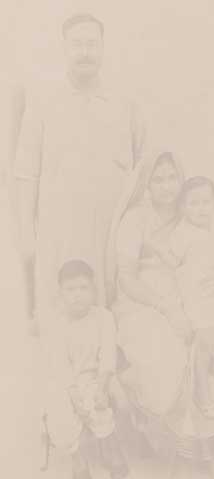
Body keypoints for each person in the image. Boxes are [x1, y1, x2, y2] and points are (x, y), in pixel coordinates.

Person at [109, 151, 214, 479]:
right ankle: (182, 458)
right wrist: (167, 308)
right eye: (158, 179)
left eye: (172, 177)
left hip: (192, 298)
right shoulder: (135, 219)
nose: (166, 186)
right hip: (144, 301)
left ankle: (213, 453)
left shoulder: (194, 210)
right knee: (171, 355)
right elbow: (126, 278)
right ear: (146, 184)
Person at [14, 13, 145, 327]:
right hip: (61, 229)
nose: (85, 51)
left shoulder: (123, 102)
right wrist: (26, 233)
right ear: (64, 49)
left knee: (110, 309)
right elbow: (26, 173)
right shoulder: (44, 102)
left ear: (102, 49)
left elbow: (141, 169)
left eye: (92, 44)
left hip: (108, 230)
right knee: (62, 312)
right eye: (77, 44)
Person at [41, 260, 128, 479]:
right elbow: (60, 365)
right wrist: (73, 395)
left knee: (100, 406)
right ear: (60, 293)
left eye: (83, 288)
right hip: (65, 381)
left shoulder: (103, 317)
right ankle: (77, 457)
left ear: (94, 291)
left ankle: (110, 447)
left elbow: (108, 355)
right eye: (70, 290)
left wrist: (101, 387)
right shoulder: (57, 324)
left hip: (99, 376)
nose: (77, 295)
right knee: (63, 414)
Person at [154, 176, 214, 419]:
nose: (201, 208)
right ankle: (201, 391)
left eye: (206, 202)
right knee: (206, 342)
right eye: (193, 203)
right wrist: (156, 247)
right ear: (183, 207)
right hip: (196, 298)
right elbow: (171, 263)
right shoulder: (183, 233)